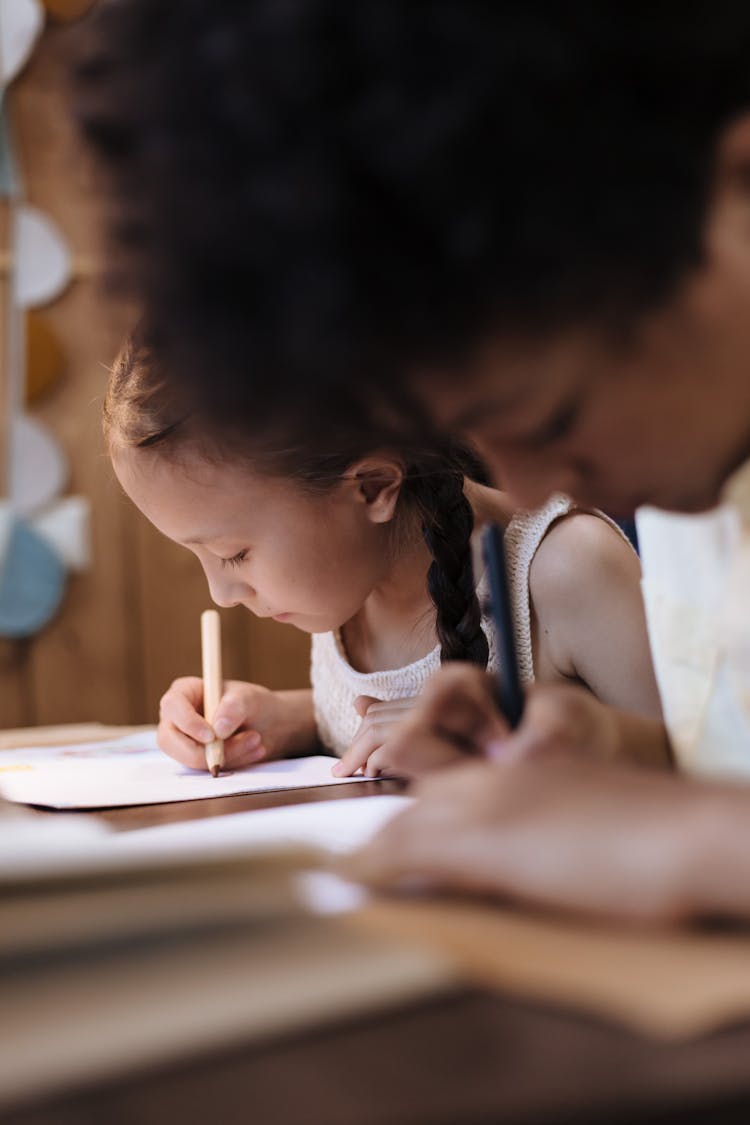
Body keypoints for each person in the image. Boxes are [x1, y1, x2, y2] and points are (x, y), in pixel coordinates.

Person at [75, 2, 750, 920]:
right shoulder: (692, 503)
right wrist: (595, 740)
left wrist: (679, 842)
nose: (544, 492)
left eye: (554, 413)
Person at [104, 335, 661, 777]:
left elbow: (712, 765)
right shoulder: (348, 578)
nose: (221, 595)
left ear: (372, 488)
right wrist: (291, 719)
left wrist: (506, 737)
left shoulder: (565, 569)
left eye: (234, 554)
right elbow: (385, 713)